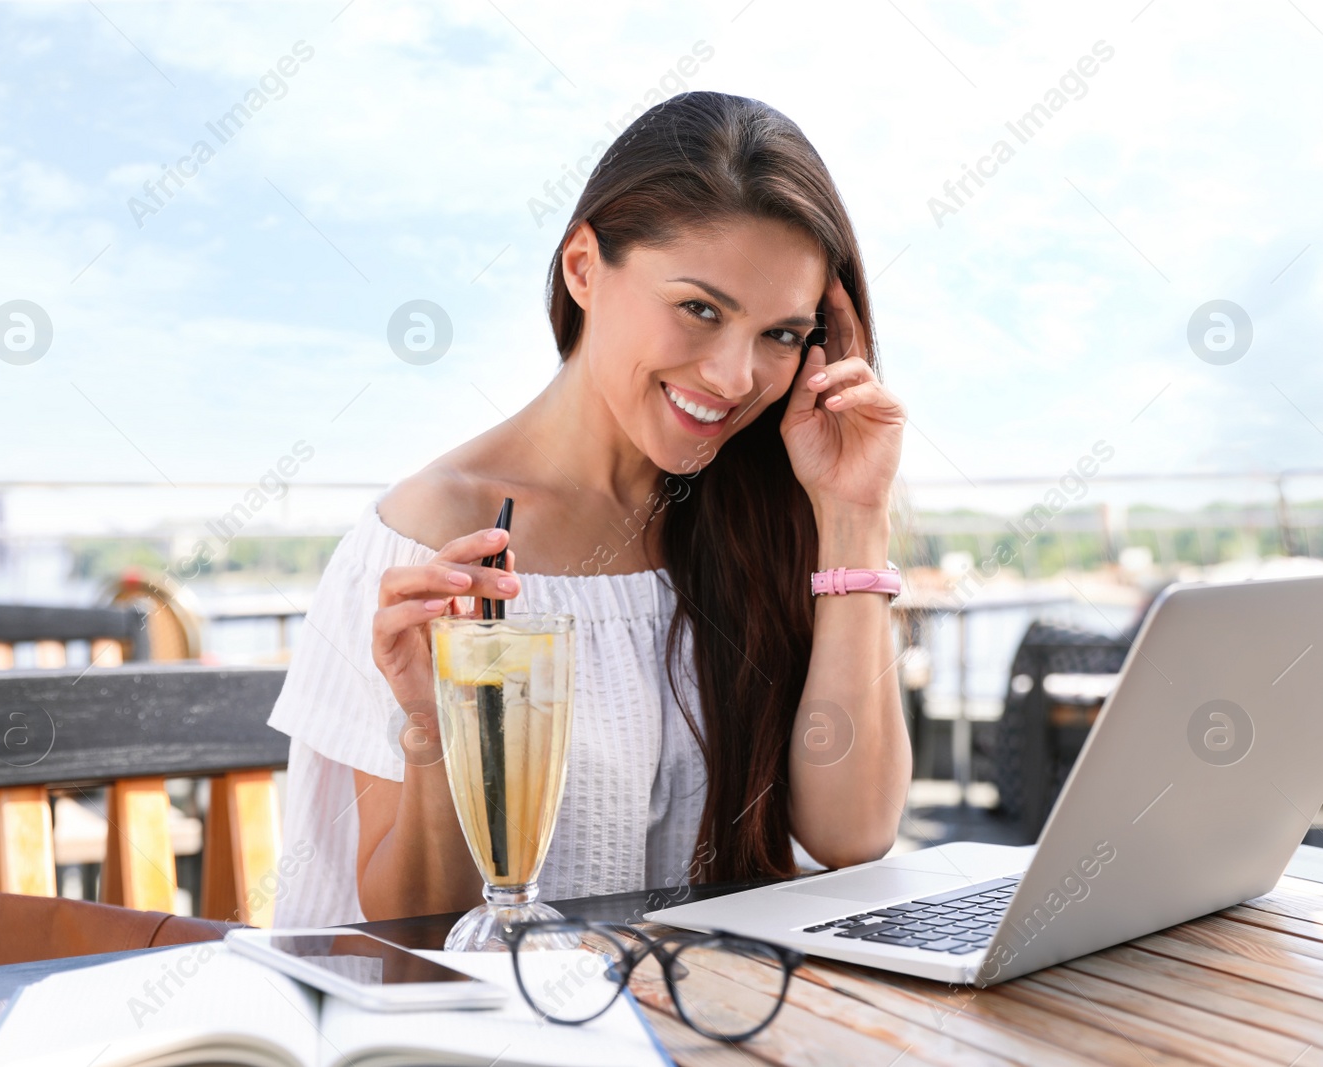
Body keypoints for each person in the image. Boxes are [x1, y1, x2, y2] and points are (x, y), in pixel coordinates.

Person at [267, 91, 912, 926]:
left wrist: (854, 515)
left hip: (695, 1032)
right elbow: (414, 928)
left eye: (782, 335)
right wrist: (433, 730)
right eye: (700, 309)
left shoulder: (761, 515)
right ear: (582, 268)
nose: (734, 376)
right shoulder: (431, 539)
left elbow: (852, 833)